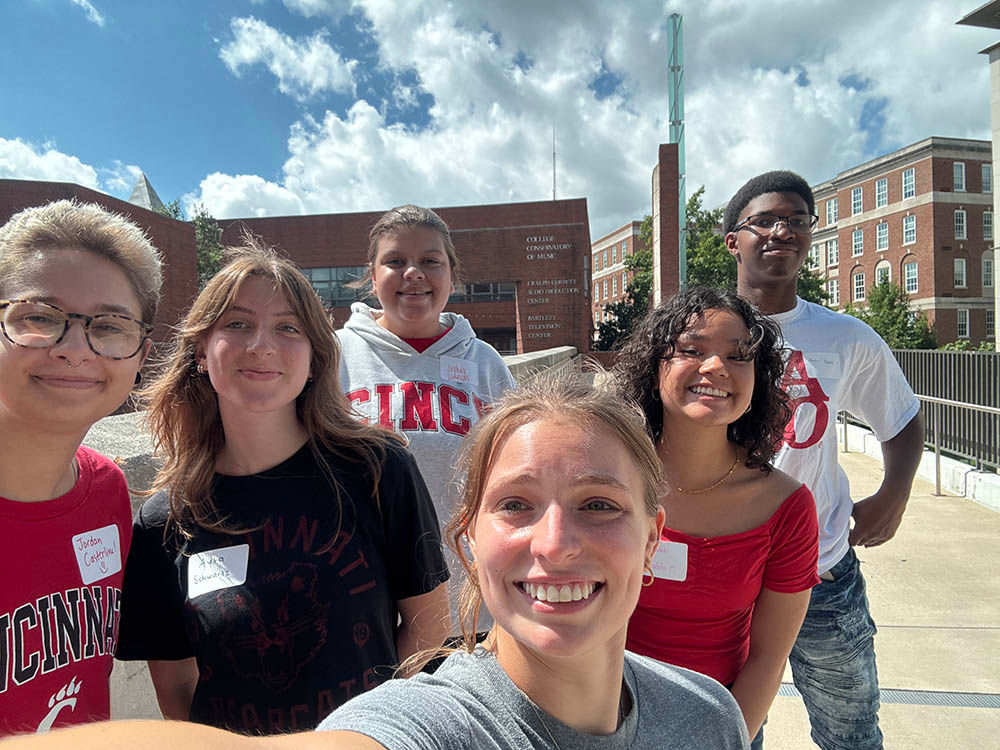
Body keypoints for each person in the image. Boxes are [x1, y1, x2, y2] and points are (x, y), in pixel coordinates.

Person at [4, 376, 751, 749]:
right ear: (469, 541)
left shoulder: (707, 715)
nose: (554, 543)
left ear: (654, 537)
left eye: (599, 504)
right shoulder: (425, 724)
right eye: (516, 505)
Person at [113, 240, 450, 734]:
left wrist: (371, 736)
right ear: (201, 353)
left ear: (315, 360)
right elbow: (177, 687)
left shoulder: (377, 470)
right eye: (237, 324)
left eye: (287, 327)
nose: (262, 345)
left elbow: (428, 628)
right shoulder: (166, 520)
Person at [723, 170, 924, 750]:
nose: (781, 230)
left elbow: (902, 417)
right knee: (729, 730)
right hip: (728, 569)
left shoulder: (844, 338)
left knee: (851, 733)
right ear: (734, 239)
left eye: (797, 220)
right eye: (764, 219)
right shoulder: (700, 333)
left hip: (822, 571)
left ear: (811, 237)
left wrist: (894, 494)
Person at [616, 287, 820, 747]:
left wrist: (727, 739)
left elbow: (769, 657)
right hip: (600, 717)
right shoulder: (607, 480)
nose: (716, 367)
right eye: (691, 349)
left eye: (739, 354)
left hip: (721, 722)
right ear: (654, 371)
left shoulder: (787, 507)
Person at [0, 199, 162, 735]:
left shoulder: (109, 493)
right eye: (39, 317)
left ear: (140, 356)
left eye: (111, 326)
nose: (75, 349)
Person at [336, 204, 515, 627]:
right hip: (362, 606)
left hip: (469, 606)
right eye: (395, 261)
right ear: (372, 274)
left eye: (430, 261)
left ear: (452, 274)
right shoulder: (334, 356)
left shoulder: (487, 364)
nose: (413, 272)